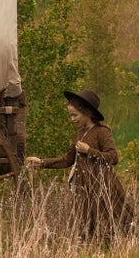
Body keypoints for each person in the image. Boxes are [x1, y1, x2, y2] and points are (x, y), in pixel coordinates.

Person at [25, 89, 132, 242]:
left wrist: (90, 151)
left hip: (101, 184)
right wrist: (42, 162)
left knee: (109, 220)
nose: (72, 119)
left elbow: (114, 157)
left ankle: (115, 248)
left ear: (87, 112)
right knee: (85, 223)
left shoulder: (101, 132)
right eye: (70, 115)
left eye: (75, 115)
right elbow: (67, 160)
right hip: (83, 186)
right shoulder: (78, 134)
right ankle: (90, 249)